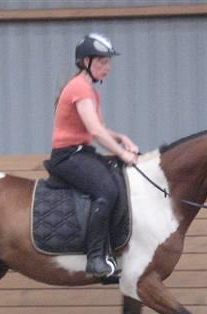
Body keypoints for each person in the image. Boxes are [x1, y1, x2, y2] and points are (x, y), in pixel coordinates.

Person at [47, 33, 139, 278]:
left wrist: (120, 137)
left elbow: (100, 128)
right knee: (106, 190)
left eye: (108, 62)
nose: (107, 67)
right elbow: (95, 130)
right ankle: (95, 257)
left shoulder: (89, 90)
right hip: (67, 157)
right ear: (86, 61)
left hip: (82, 153)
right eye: (102, 62)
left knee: (118, 179)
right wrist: (122, 153)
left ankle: (113, 251)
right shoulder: (80, 87)